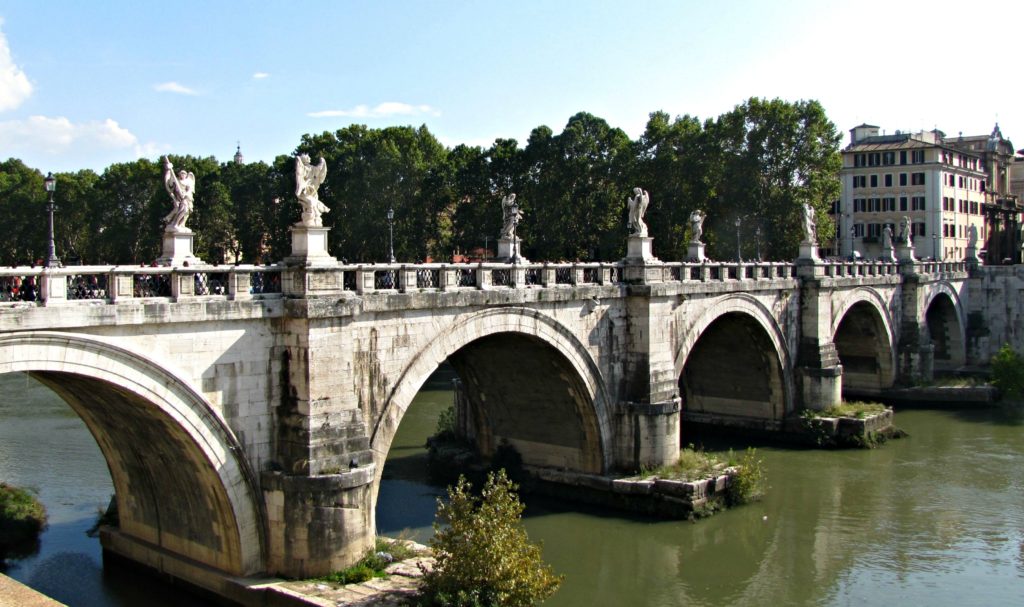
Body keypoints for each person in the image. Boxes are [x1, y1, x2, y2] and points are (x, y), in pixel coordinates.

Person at [295, 154, 329, 226]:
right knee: (311, 203)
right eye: (308, 157)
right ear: (305, 160)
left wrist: (322, 162)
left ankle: (314, 219)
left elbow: (319, 169)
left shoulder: (312, 168)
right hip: (304, 191)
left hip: (311, 191)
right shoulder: (303, 168)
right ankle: (309, 220)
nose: (310, 158)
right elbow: (299, 175)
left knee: (313, 203)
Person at [162, 157, 196, 231]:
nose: (182, 175)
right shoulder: (176, 180)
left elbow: (190, 189)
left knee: (186, 212)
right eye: (181, 174)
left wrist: (186, 194)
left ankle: (181, 225)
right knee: (183, 210)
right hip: (179, 198)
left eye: (184, 174)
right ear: (179, 175)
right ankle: (175, 224)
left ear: (186, 175)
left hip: (187, 198)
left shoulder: (188, 181)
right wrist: (168, 170)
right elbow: (168, 183)